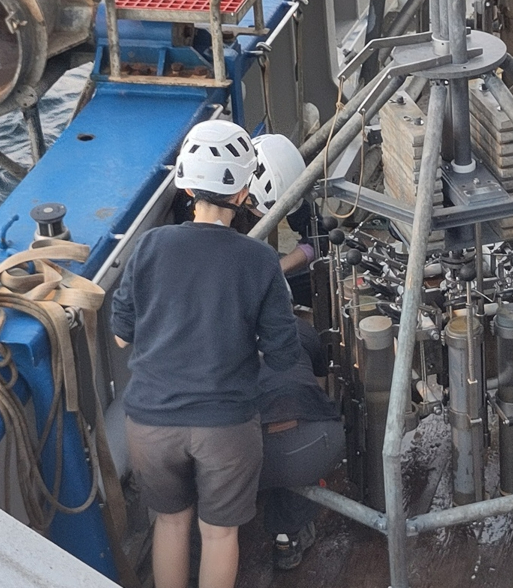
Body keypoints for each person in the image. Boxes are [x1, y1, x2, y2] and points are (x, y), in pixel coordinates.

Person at [111, 120, 300, 588]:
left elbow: (120, 335)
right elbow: (283, 356)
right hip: (225, 427)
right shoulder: (259, 261)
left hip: (150, 423)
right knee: (218, 536)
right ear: (242, 193)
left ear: (187, 186)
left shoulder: (152, 245)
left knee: (170, 524)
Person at [257, 319, 345, 571]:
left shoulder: (218, 334)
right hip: (309, 446)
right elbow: (320, 386)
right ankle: (288, 537)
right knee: (297, 453)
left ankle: (198, 561)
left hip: (245, 453)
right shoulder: (300, 329)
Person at [247, 133, 326, 307]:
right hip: (229, 284)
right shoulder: (221, 213)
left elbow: (318, 238)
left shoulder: (280, 181)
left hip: (260, 271)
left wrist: (279, 269)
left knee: (321, 285)